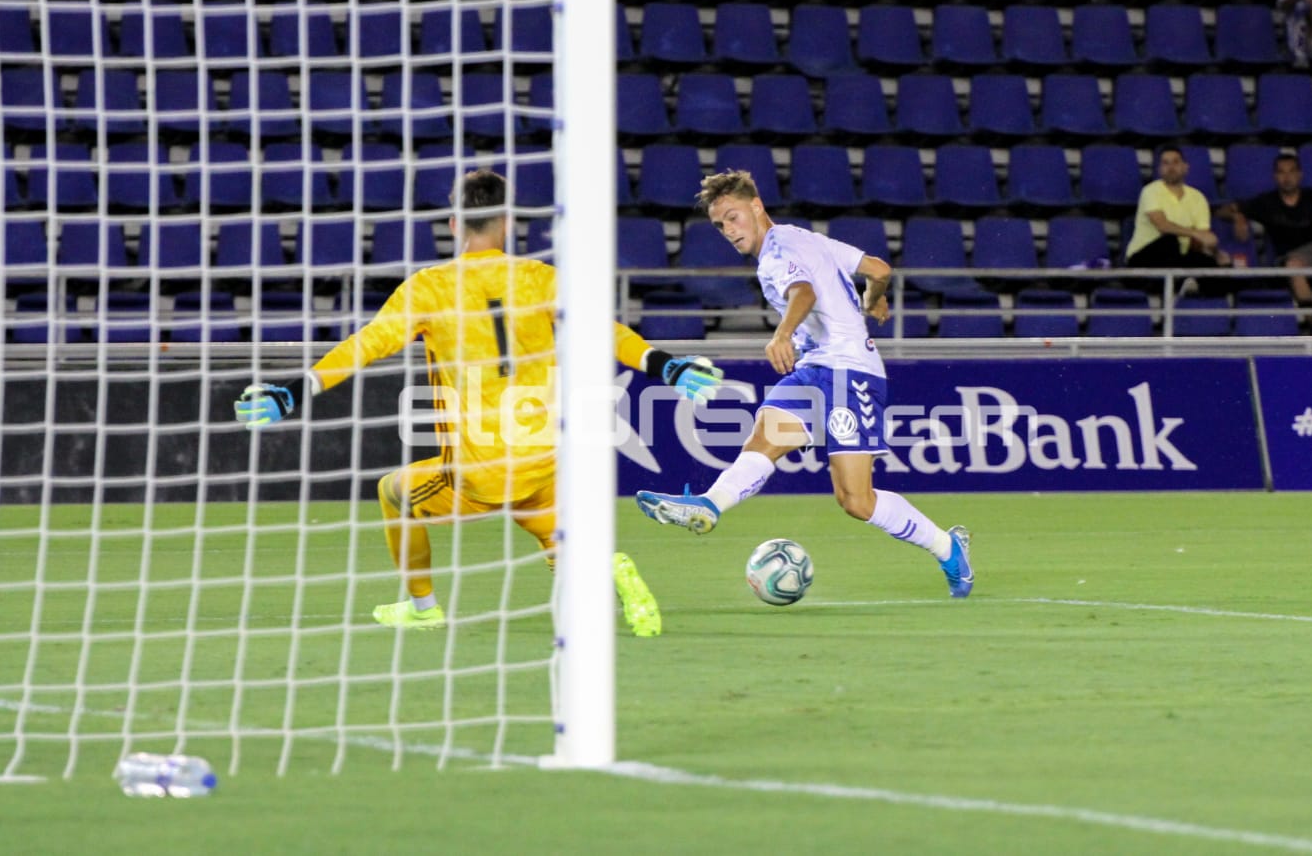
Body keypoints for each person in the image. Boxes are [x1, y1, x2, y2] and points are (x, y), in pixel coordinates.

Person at [234, 169, 724, 635]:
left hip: (479, 471)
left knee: (393, 492)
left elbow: (364, 346)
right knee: (560, 548)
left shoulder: (429, 288)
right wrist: (667, 365)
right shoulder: (538, 277)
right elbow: (607, 331)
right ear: (507, 223)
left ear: (454, 225)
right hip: (544, 458)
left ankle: (423, 608)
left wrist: (292, 391)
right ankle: (608, 566)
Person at [633, 170, 975, 599]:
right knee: (764, 439)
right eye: (721, 225)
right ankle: (709, 504)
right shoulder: (805, 237)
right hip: (815, 372)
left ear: (757, 206)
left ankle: (948, 547)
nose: (729, 231)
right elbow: (879, 268)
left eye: (734, 218)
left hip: (851, 375)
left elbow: (804, 292)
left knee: (856, 500)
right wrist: (873, 296)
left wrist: (781, 334)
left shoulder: (779, 250)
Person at [1217, 153, 1312, 309]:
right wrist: (1237, 217)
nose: (1287, 177)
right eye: (1281, 172)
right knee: (1293, 265)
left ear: (1300, 175)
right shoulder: (1265, 202)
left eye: (1291, 171)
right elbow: (1221, 211)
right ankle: (1311, 322)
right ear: (1275, 176)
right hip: (1290, 258)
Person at [1124, 146, 1224, 296]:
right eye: (1165, 163)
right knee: (1170, 241)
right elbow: (1162, 225)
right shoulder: (1151, 191)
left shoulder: (1197, 198)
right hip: (1144, 257)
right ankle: (1178, 283)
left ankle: (1192, 291)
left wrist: (1215, 250)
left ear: (1185, 167)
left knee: (1209, 263)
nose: (1171, 167)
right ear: (1159, 169)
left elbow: (1200, 239)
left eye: (1175, 162)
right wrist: (1194, 233)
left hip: (1178, 258)